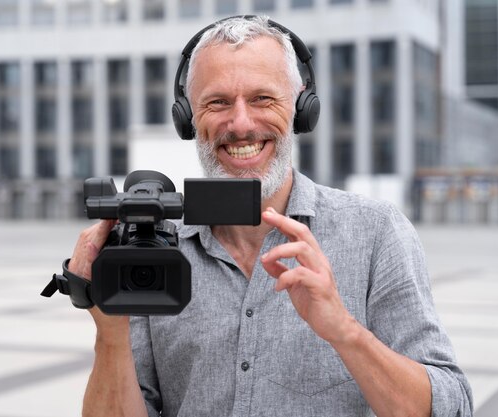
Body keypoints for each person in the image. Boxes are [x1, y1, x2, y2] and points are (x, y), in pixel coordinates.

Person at [68, 16, 473, 417]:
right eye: (218, 102)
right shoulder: (148, 246)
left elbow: (449, 407)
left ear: (301, 109)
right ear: (188, 118)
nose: (241, 123)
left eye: (262, 98)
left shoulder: (377, 232)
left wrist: (345, 332)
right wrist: (110, 331)